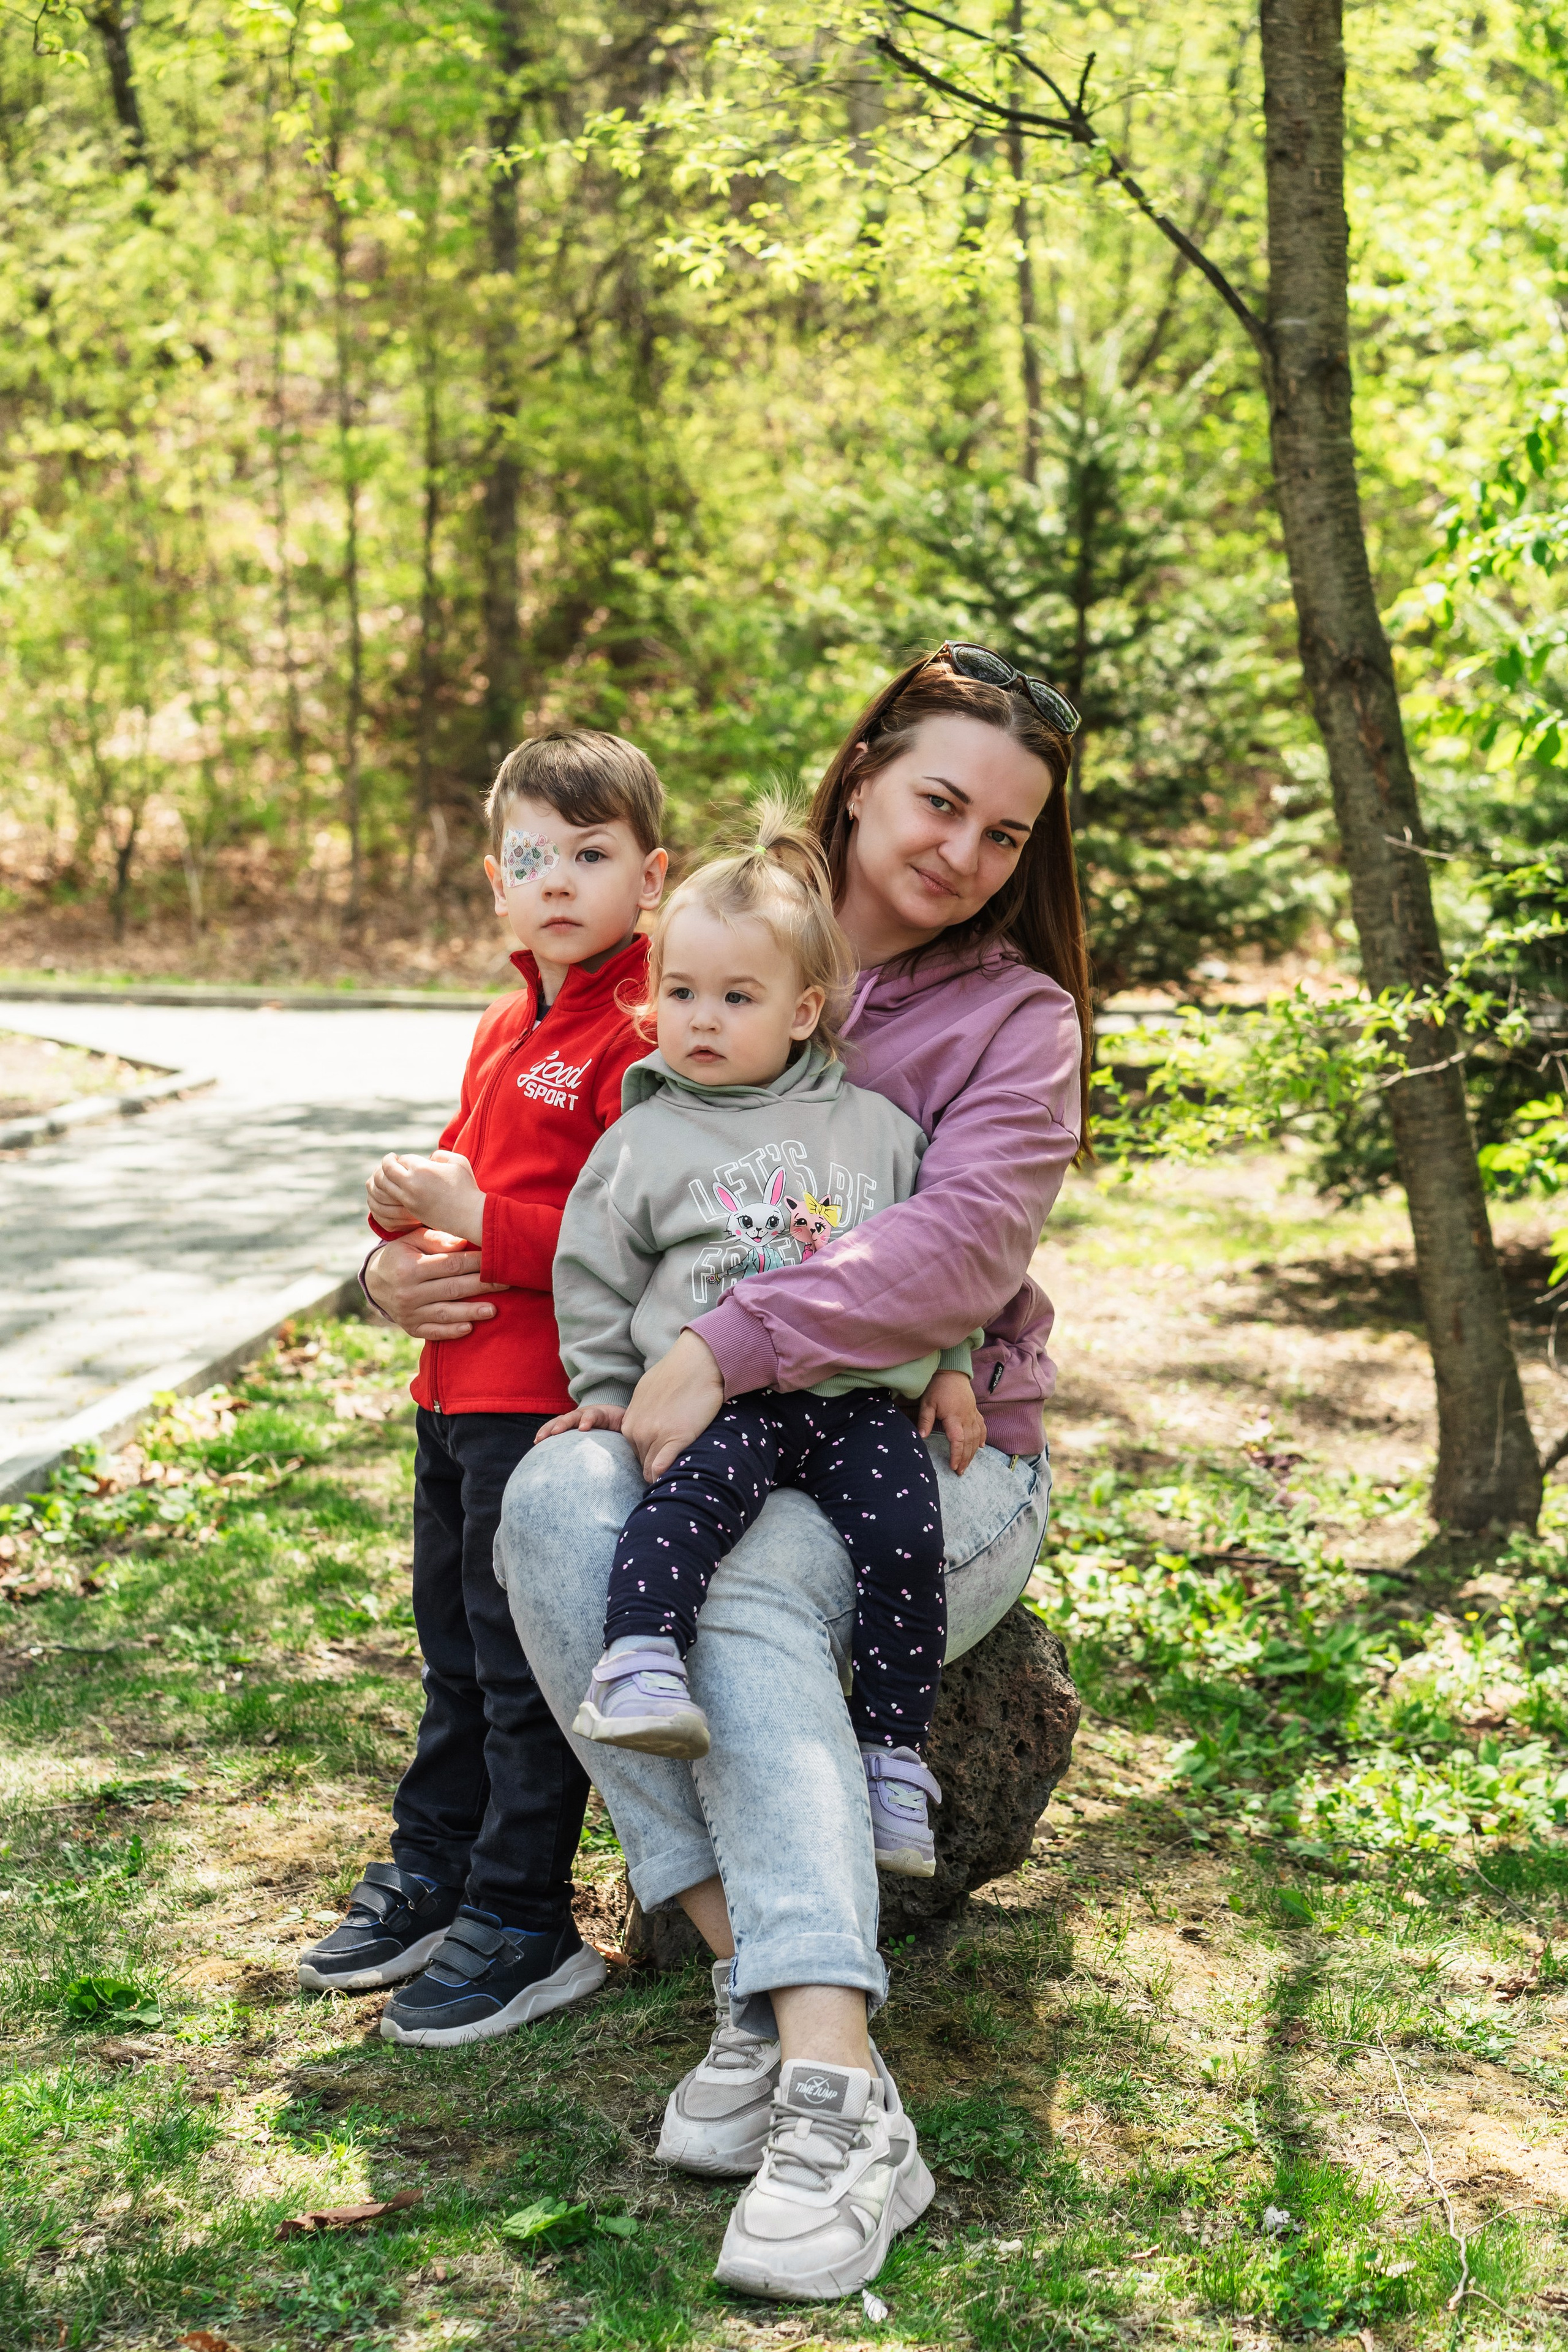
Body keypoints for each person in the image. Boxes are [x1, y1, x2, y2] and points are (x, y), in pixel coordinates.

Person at [494, 643, 1089, 2299]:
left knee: (750, 1587)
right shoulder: (723, 936)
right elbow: (576, 1166)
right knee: (552, 1510)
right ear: (863, 776)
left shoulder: (1018, 1021)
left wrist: (729, 1341)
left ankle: (832, 2102)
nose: (964, 853)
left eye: (1005, 834)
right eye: (939, 802)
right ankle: (767, 1994)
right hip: (708, 1429)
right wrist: (432, 1258)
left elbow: (961, 1249)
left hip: (936, 1450)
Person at [296, 728, 666, 2049]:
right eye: (530, 856)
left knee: (519, 1672)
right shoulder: (506, 1023)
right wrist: (395, 1228)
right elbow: (465, 1185)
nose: (557, 879)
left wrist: (478, 1222)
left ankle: (523, 1919)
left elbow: (634, 1234)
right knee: (450, 1655)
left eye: (591, 854)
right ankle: (435, 1871)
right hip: (450, 1396)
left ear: (652, 877)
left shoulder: (647, 1028)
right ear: (494, 881)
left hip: (543, 1406)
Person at [539, 803, 986, 1877]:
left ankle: (890, 1761)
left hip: (859, 1401)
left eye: (738, 998)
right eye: (682, 993)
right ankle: (641, 1662)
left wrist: (956, 1371)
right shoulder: (642, 1141)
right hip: (721, 1401)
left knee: (905, 1543)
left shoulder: (878, 1131)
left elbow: (938, 1266)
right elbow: (594, 1276)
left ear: (803, 1012)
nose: (703, 1019)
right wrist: (608, 1385)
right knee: (685, 1506)